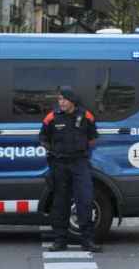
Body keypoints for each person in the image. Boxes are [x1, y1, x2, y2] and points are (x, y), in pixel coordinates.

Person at [40, 87, 101, 252]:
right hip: (59, 164)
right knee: (60, 203)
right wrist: (53, 151)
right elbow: (43, 138)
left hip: (80, 163)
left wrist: (79, 151)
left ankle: (87, 241)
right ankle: (60, 241)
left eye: (63, 99)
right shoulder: (52, 117)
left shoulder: (86, 116)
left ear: (72, 100)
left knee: (85, 201)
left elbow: (93, 138)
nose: (61, 102)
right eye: (59, 99)